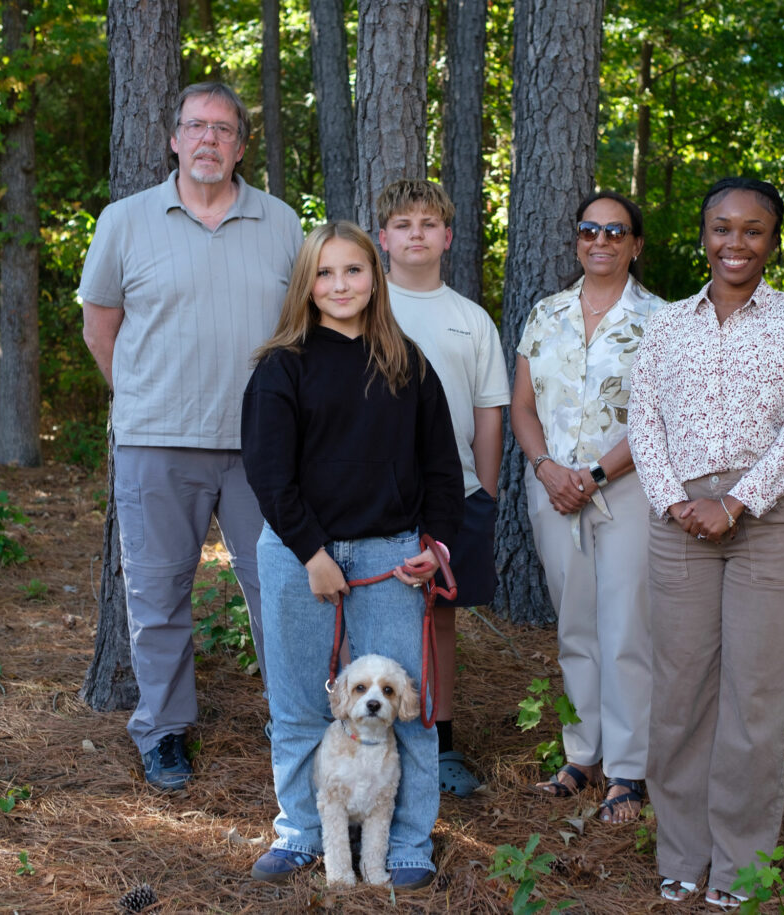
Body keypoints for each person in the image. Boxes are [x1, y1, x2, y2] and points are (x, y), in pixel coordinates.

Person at [79, 82, 303, 790]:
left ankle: (296, 719)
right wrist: (145, 396)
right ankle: (164, 729)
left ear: (241, 144)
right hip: (156, 441)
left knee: (280, 586)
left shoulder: (282, 223)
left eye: (224, 128)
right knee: (157, 590)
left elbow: (304, 327)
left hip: (262, 445)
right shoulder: (125, 220)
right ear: (174, 138)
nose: (209, 139)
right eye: (196, 126)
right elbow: (100, 325)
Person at [241, 221, 464, 891]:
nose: (340, 285)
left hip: (392, 556)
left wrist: (437, 545)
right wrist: (312, 552)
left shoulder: (408, 362)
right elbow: (268, 472)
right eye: (326, 273)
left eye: (354, 271)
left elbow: (440, 468)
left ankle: (407, 842)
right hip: (298, 554)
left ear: (376, 277)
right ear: (307, 285)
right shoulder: (281, 365)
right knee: (305, 703)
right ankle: (305, 831)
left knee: (406, 707)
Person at [627, 177, 784, 908]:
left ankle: (742, 862)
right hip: (680, 518)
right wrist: (676, 499)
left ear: (773, 239)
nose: (735, 243)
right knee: (680, 693)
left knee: (757, 694)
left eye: (753, 230)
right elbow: (643, 419)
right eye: (722, 227)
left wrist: (738, 501)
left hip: (765, 519)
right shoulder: (667, 324)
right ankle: (683, 851)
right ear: (702, 233)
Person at [510, 190, 667, 824]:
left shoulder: (662, 319)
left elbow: (659, 417)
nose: (599, 241)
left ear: (635, 244)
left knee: (627, 626)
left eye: (615, 231)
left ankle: (628, 769)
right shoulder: (544, 313)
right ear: (577, 239)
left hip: (627, 489)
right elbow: (522, 406)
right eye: (588, 230)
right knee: (574, 626)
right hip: (551, 488)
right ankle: (582, 754)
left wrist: (596, 473)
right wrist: (547, 469)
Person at [376, 179, 510, 798]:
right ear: (383, 237)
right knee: (368, 616)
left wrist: (481, 491)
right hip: (372, 496)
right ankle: (370, 743)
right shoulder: (364, 305)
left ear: (448, 237)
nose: (416, 235)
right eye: (403, 225)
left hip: (450, 496)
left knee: (439, 620)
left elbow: (489, 411)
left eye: (428, 224)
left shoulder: (470, 319)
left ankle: (443, 740)